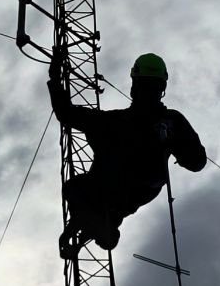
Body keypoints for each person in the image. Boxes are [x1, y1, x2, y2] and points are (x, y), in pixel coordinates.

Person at [48, 48, 206, 256]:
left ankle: (98, 224)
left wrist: (55, 76)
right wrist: (174, 145)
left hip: (111, 188)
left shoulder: (112, 122)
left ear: (134, 85)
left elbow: (65, 113)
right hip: (139, 191)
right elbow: (197, 162)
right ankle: (99, 225)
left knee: (76, 189)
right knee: (98, 199)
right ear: (162, 87)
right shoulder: (172, 122)